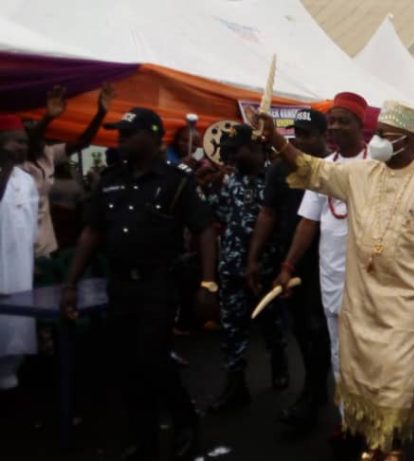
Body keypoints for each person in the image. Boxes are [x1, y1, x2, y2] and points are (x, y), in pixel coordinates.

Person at [253, 96, 414, 460]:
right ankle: (371, 442)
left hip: (406, 304)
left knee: (396, 381)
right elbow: (310, 168)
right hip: (361, 300)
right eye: (377, 132)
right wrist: (275, 138)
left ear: (411, 140)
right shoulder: (359, 174)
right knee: (363, 376)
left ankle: (391, 446)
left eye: (386, 134)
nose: (377, 140)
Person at [60, 107, 218, 460]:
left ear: (154, 136)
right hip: (119, 287)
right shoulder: (111, 179)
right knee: (126, 365)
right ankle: (142, 438)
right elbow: (92, 232)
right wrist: (70, 283)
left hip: (158, 286)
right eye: (121, 132)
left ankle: (185, 421)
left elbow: (203, 229)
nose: (121, 138)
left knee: (153, 359)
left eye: (130, 133)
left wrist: (208, 283)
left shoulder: (176, 180)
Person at [268, 93, 368, 436]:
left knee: (367, 351)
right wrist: (288, 266)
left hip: (370, 279)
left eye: (345, 121)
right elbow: (308, 222)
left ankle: (374, 419)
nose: (337, 127)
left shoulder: (377, 167)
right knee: (339, 351)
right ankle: (347, 418)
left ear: (361, 126)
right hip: (331, 275)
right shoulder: (323, 171)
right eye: (334, 121)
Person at [241, 108, 332, 428]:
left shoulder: (333, 171)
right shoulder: (278, 170)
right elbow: (268, 214)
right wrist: (253, 259)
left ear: (325, 137)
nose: (302, 141)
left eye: (308, 135)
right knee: (302, 329)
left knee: (321, 329)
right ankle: (314, 387)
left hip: (329, 264)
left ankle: (316, 391)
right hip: (291, 261)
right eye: (298, 134)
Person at [205, 124, 289, 412]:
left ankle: (279, 365)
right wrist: (211, 187)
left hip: (266, 267)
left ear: (253, 148)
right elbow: (218, 216)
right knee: (232, 328)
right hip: (232, 265)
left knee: (272, 324)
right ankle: (235, 383)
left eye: (235, 150)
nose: (229, 156)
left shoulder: (276, 177)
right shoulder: (230, 180)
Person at [25, 83, 115, 258]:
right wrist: (47, 118)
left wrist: (101, 113)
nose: (42, 137)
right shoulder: (14, 164)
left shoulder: (48, 154)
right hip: (20, 240)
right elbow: (33, 140)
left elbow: (82, 143)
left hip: (43, 242)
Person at [0, 115, 39, 390]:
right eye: (16, 141)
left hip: (19, 267)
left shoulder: (27, 180)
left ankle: (9, 371)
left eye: (25, 142)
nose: (22, 147)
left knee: (15, 324)